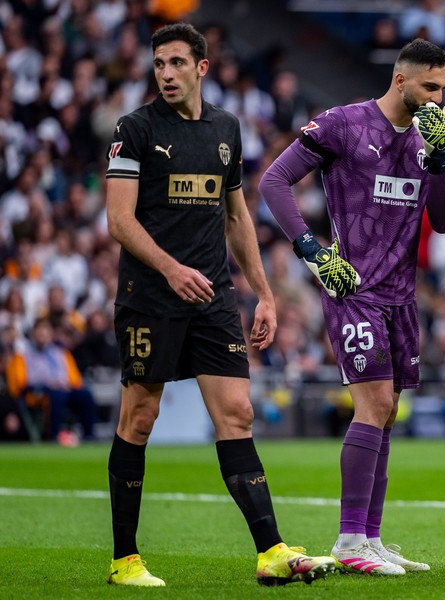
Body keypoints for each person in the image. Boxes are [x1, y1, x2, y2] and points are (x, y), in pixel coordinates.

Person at [103, 23, 335, 588]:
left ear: (202, 67)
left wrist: (265, 293)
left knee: (237, 414)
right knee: (140, 417)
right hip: (151, 296)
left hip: (212, 297)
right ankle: (124, 561)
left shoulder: (225, 130)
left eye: (177, 63)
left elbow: (236, 218)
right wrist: (170, 268)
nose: (166, 73)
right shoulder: (133, 129)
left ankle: (271, 551)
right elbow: (118, 220)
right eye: (159, 64)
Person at [259, 38, 445, 575]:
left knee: (388, 414)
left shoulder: (426, 139)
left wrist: (439, 159)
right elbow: (273, 180)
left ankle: (370, 538)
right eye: (431, 87)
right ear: (401, 80)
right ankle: (349, 540)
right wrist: (312, 253)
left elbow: (443, 220)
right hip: (352, 288)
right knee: (372, 407)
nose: (440, 99)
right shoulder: (345, 124)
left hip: (400, 295)